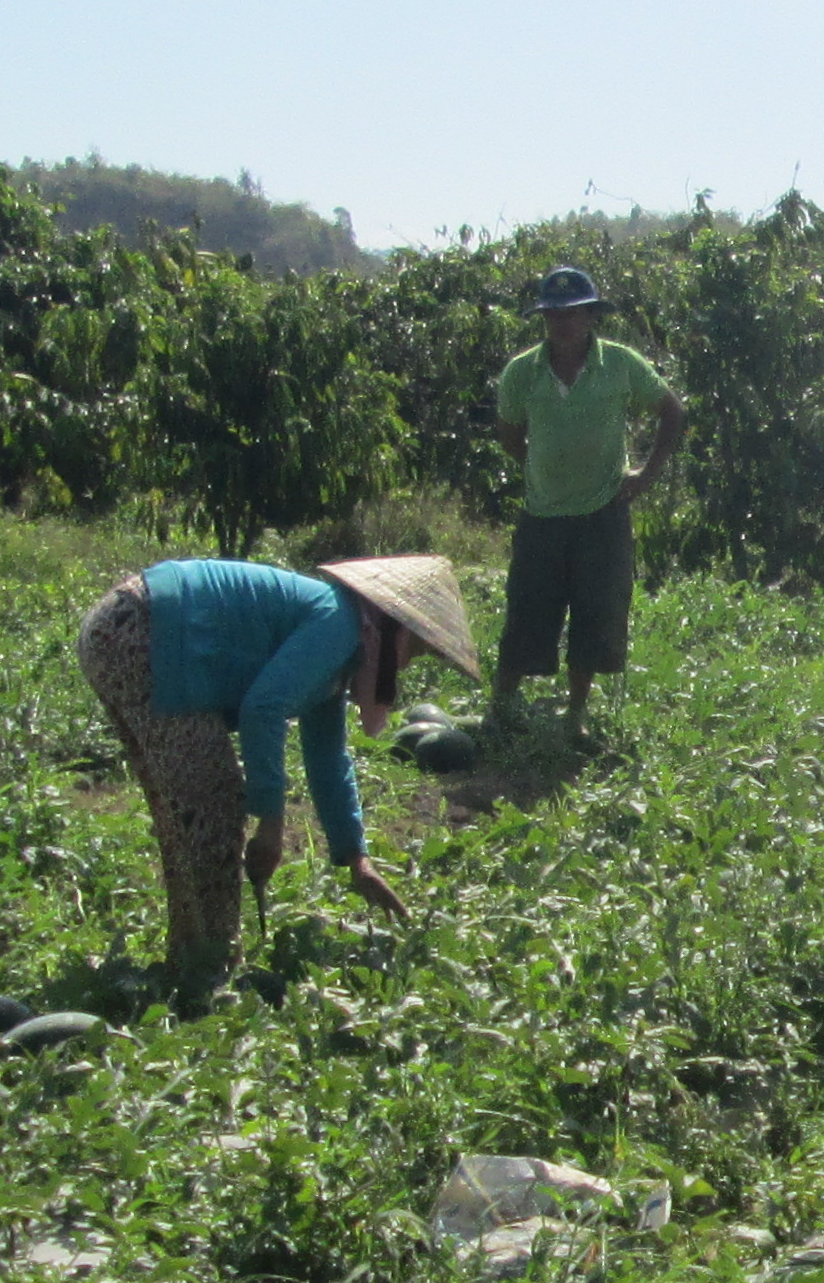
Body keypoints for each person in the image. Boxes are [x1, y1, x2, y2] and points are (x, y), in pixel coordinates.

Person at [75, 551, 482, 1003]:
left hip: (123, 628)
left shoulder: (346, 643)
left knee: (186, 807)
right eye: (416, 648)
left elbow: (328, 756)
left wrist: (355, 858)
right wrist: (270, 823)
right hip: (143, 628)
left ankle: (191, 957)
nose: (407, 664)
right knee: (211, 800)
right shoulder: (339, 622)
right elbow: (263, 709)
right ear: (392, 623)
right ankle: (210, 969)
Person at [489, 264, 686, 735]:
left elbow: (672, 411)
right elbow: (510, 433)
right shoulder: (523, 371)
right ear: (544, 319)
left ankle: (577, 713)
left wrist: (647, 473)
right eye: (554, 314)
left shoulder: (619, 363)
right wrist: (541, 470)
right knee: (528, 608)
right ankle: (502, 706)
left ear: (592, 316)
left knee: (596, 611)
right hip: (542, 513)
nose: (564, 323)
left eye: (574, 313)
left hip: (603, 512)